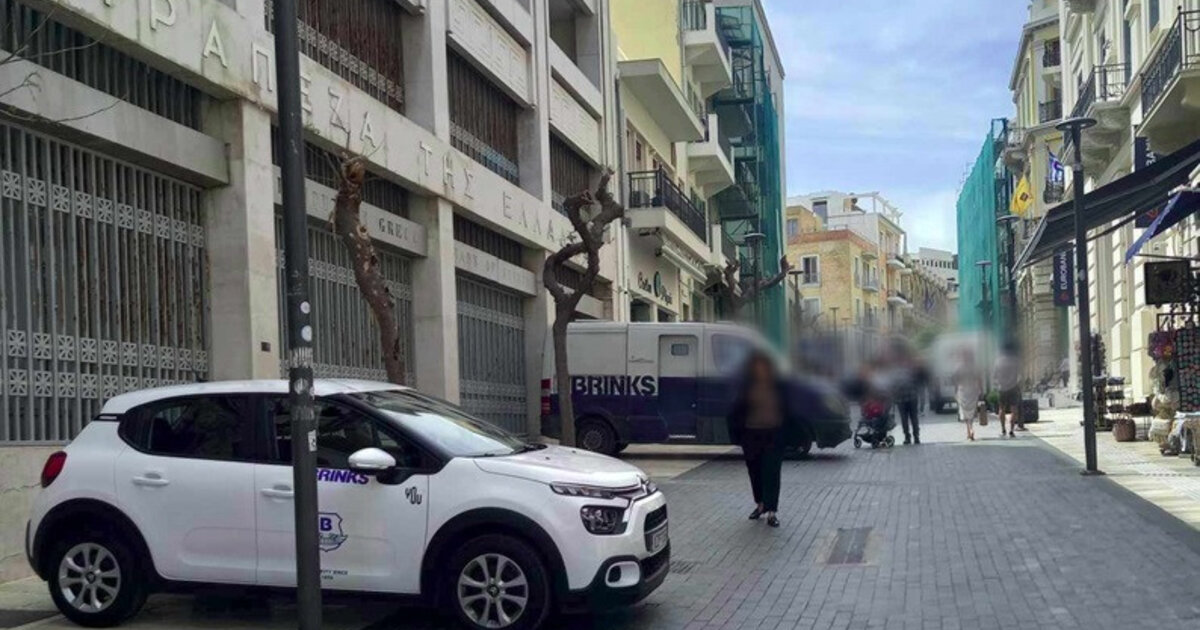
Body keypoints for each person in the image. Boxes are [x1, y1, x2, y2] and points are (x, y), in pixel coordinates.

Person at [727, 352, 788, 528]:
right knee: (755, 472)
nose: (761, 370)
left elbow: (790, 409)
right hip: (752, 435)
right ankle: (760, 504)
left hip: (773, 435)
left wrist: (787, 431)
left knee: (772, 472)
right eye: (757, 367)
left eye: (764, 367)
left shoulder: (779, 386)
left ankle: (772, 512)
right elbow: (736, 410)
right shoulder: (746, 386)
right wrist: (737, 434)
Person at [953, 347, 983, 441]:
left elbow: (956, 380)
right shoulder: (975, 366)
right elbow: (979, 379)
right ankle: (970, 429)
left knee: (965, 411)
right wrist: (981, 390)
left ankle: (969, 430)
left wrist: (955, 391)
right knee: (972, 411)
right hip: (973, 389)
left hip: (962, 390)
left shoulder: (958, 367)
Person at [994, 343, 1023, 437]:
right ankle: (1011, 430)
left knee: (1001, 409)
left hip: (1002, 388)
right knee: (1014, 410)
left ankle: (1003, 429)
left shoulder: (998, 362)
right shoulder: (1015, 361)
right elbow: (1020, 375)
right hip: (1013, 387)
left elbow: (994, 377)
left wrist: (998, 384)